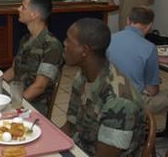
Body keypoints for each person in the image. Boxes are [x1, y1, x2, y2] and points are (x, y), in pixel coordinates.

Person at [61, 18, 145, 157]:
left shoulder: (119, 101)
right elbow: (70, 126)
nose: (64, 43)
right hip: (78, 149)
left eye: (69, 40)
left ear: (84, 51)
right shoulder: (83, 76)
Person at [107, 6, 168, 157]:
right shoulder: (149, 48)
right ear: (149, 26)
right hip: (135, 103)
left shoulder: (110, 39)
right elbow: (153, 91)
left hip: (109, 97)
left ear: (128, 21)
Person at [3, 0, 64, 116]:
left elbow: (39, 86)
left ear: (34, 14)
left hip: (34, 105)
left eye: (23, 7)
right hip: (17, 97)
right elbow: (14, 70)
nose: (18, 9)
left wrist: (14, 106)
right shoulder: (25, 39)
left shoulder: (52, 46)